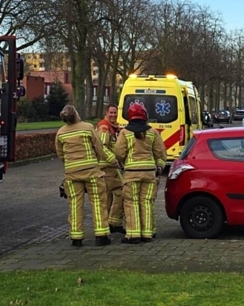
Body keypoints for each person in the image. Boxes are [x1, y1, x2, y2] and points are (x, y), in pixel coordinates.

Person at [55, 105, 111, 247]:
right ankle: (101, 235)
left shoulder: (60, 133)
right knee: (98, 203)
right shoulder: (87, 127)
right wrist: (103, 161)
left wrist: (70, 165)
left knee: (75, 205)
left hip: (72, 174)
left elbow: (61, 154)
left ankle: (76, 237)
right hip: (91, 171)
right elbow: (99, 147)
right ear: (76, 114)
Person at [115, 102, 167, 244]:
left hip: (131, 174)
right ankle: (147, 233)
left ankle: (133, 234)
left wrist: (123, 162)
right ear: (145, 116)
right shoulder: (153, 132)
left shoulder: (125, 133)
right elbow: (161, 154)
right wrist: (160, 167)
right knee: (147, 202)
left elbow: (119, 153)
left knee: (132, 203)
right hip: (149, 173)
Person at [96, 105, 125, 234]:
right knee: (121, 192)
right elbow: (102, 147)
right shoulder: (104, 128)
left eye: (115, 112)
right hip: (108, 167)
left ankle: (105, 224)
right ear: (106, 113)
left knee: (106, 198)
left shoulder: (112, 127)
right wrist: (114, 160)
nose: (113, 115)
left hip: (106, 167)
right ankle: (114, 222)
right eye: (111, 113)